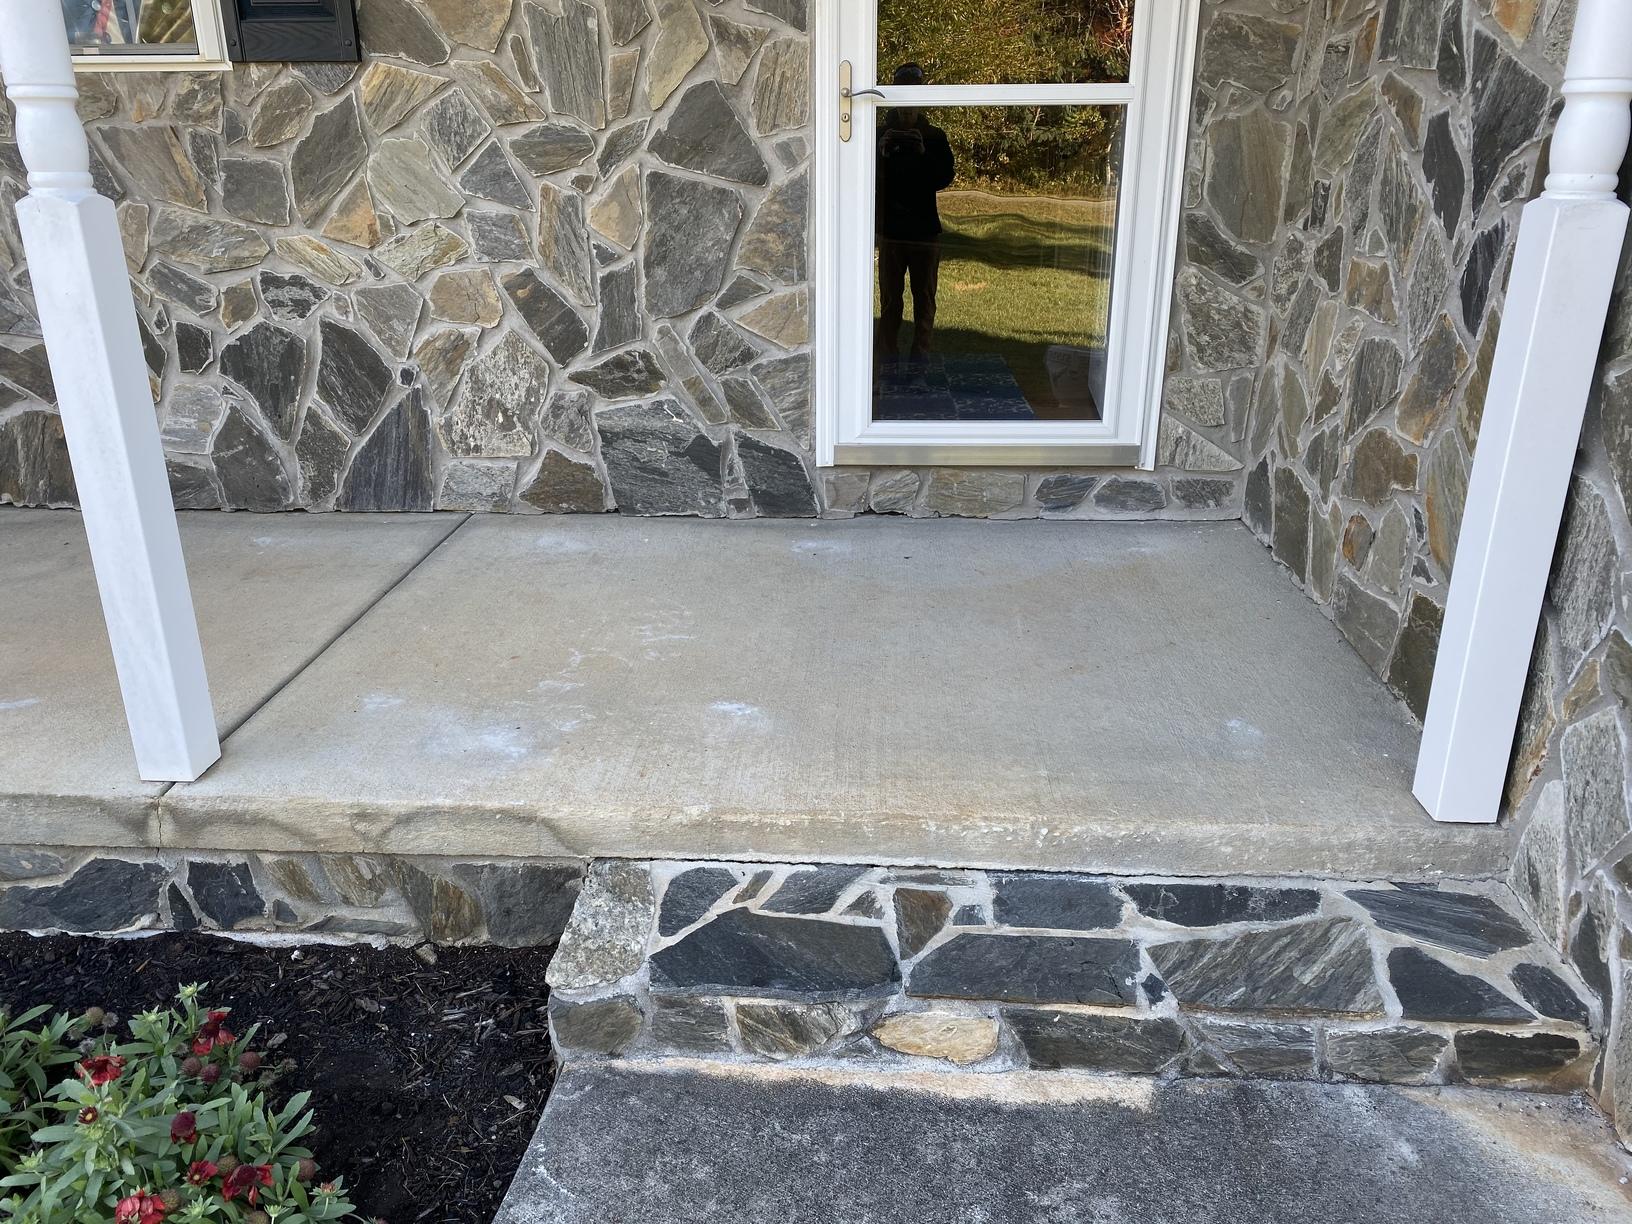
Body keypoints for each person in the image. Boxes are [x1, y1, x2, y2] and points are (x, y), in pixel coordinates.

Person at [875, 63, 955, 371]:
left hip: (924, 230)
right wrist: (880, 153)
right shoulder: (878, 134)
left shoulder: (933, 137)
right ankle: (888, 363)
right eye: (902, 101)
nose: (907, 110)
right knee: (890, 302)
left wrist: (923, 153)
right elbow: (864, 178)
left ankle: (919, 366)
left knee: (925, 301)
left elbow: (943, 177)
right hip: (892, 230)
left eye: (913, 100)